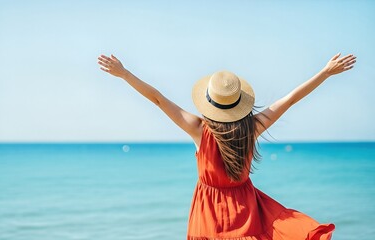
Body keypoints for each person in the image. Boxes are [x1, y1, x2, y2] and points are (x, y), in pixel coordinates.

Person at [97, 53, 356, 239]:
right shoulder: (252, 128)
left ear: (210, 103)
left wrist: (124, 74)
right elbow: (289, 100)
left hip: (207, 212)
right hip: (247, 211)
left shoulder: (198, 128)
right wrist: (325, 73)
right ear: (240, 102)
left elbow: (157, 99)